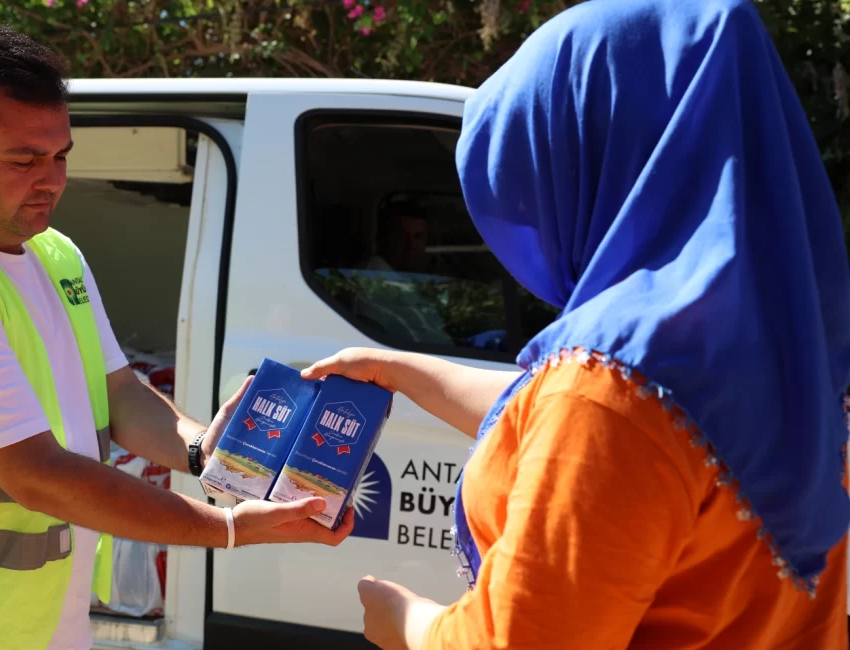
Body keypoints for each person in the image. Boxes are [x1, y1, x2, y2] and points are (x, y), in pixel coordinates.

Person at [302, 0, 850, 648]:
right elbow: (598, 428)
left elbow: (518, 638)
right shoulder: (781, 348)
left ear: (591, 150)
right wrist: (401, 369)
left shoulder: (610, 384)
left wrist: (405, 621)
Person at [0, 20, 351, 650]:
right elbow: (38, 475)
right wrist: (229, 527)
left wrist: (208, 452)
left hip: (37, 626)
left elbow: (119, 392)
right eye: (25, 159)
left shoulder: (53, 254)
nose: (52, 180)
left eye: (61, 154)